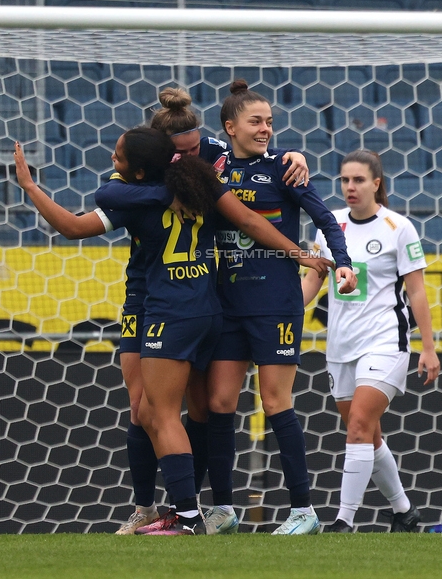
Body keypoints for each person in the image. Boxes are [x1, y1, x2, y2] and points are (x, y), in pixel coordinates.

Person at [14, 127, 332, 534]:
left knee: (156, 413)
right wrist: (300, 254)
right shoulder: (200, 188)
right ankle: (203, 508)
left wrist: (29, 185)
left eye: (118, 157)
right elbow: (250, 218)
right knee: (201, 409)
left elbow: (75, 226)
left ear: (142, 171)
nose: (113, 162)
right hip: (210, 308)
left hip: (170, 311)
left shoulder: (134, 199)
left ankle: (185, 514)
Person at [111, 87, 313, 534]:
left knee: (200, 407)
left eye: (194, 146)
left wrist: (290, 155)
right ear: (161, 155)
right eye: (180, 150)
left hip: (197, 299)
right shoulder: (137, 183)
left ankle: (195, 510)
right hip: (145, 295)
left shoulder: (211, 160)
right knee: (144, 407)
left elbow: (254, 162)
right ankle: (156, 508)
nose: (190, 154)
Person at [203, 80, 357, 536]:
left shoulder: (284, 169)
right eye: (256, 122)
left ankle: (303, 511)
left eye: (270, 122)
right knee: (219, 403)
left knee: (274, 402)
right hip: (227, 303)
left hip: (275, 303)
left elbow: (326, 218)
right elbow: (177, 140)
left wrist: (343, 263)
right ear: (230, 127)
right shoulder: (211, 165)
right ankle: (224, 509)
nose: (266, 129)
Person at [301, 149, 441, 533]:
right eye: (345, 180)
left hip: (385, 341)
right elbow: (313, 280)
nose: (350, 187)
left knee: (359, 425)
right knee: (368, 434)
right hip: (340, 344)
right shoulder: (330, 227)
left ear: (376, 184)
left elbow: (417, 293)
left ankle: (343, 521)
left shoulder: (399, 228)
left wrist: (428, 348)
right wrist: (281, 315)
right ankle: (404, 511)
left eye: (359, 180)